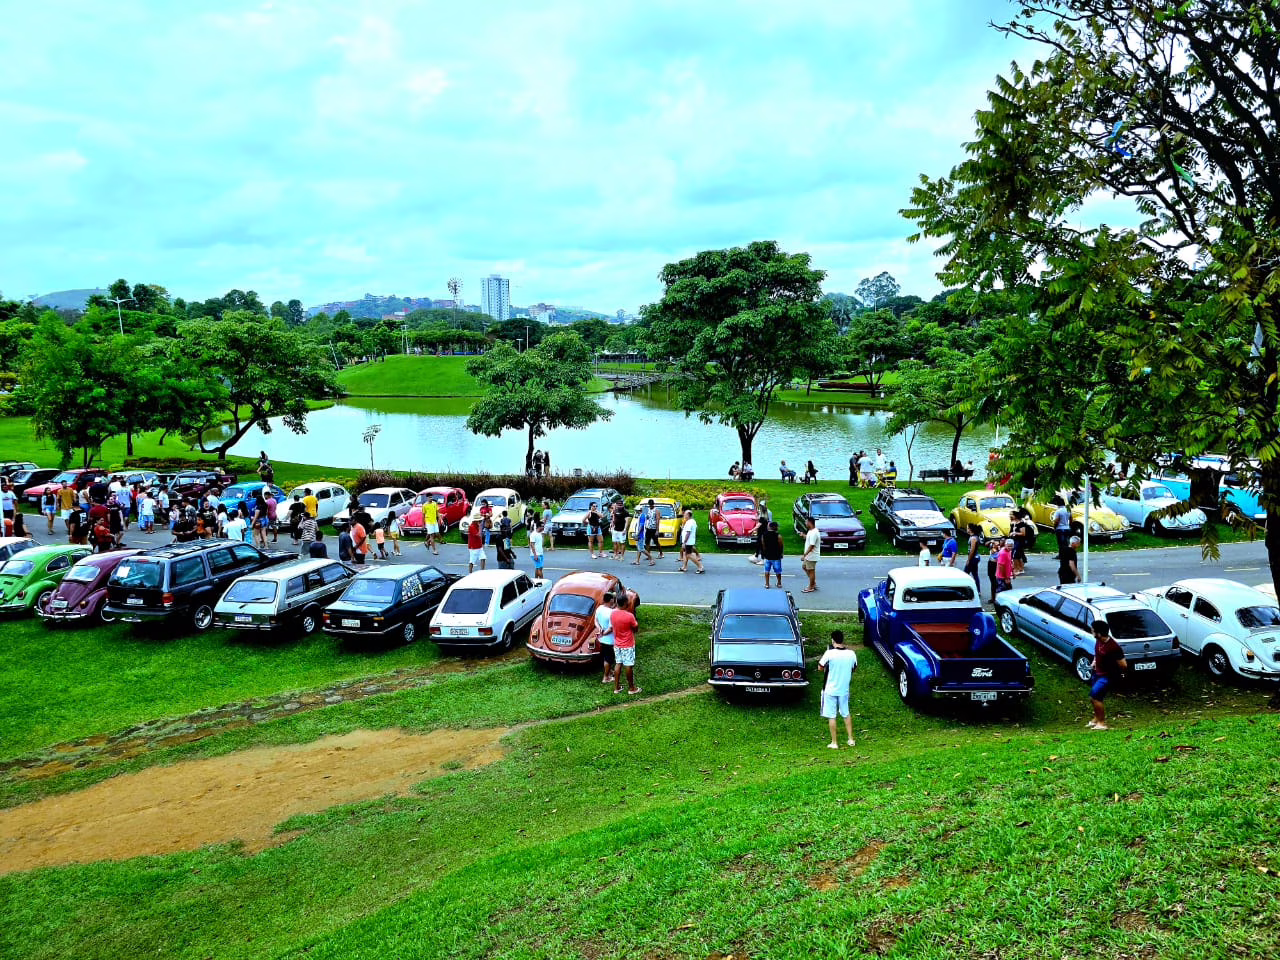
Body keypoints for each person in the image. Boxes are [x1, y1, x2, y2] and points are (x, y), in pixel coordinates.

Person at [818, 630, 858, 749]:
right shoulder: (851, 654)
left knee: (832, 716)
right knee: (846, 713)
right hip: (844, 689)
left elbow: (820, 667)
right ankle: (851, 739)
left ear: (833, 640)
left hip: (830, 689)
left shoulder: (829, 653)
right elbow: (854, 668)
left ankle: (834, 742)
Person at [1088, 619, 1127, 731]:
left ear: (1098, 633)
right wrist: (1095, 661)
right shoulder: (1099, 640)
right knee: (1093, 697)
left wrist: (1122, 675)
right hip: (1097, 673)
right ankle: (1096, 718)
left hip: (1107, 676)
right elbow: (1097, 652)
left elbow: (1123, 664)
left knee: (1096, 697)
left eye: (1093, 630)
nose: (1091, 631)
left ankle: (1102, 724)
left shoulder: (1113, 647)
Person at [610, 594, 641, 695]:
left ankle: (617, 688)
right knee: (628, 665)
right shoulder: (629, 616)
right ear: (624, 603)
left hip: (617, 644)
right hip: (627, 644)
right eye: (627, 601)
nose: (629, 602)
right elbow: (635, 627)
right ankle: (631, 688)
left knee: (618, 663)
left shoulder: (612, 614)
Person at [595, 591, 616, 684]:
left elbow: (595, 621)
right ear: (611, 600)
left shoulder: (599, 608)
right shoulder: (612, 612)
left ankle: (609, 671)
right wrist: (604, 633)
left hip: (601, 638)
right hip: (609, 640)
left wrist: (600, 629)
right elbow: (611, 628)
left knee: (604, 656)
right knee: (609, 658)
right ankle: (606, 677)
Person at [678, 509, 704, 574]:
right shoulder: (692, 521)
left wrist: (684, 542)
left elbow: (688, 533)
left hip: (688, 542)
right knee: (685, 553)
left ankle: (700, 566)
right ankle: (684, 567)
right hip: (689, 541)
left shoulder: (689, 522)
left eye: (685, 514)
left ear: (688, 515)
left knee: (689, 555)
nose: (684, 515)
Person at [761, 520, 783, 589]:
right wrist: (781, 553)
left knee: (767, 570)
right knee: (778, 571)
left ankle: (767, 584)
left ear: (769, 527)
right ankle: (779, 583)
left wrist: (765, 552)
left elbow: (763, 545)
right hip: (776, 556)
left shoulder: (764, 535)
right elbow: (781, 545)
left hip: (767, 556)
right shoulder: (778, 536)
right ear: (775, 528)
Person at [801, 516, 821, 593]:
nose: (805, 523)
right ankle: (813, 583)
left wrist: (804, 555)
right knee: (804, 567)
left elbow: (811, 546)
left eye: (806, 522)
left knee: (811, 570)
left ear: (809, 522)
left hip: (812, 555)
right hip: (809, 556)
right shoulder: (811, 531)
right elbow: (809, 539)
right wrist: (804, 536)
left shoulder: (814, 533)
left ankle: (811, 586)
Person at [632, 501, 652, 566]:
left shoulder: (642, 516)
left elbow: (641, 526)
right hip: (640, 534)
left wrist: (637, 534)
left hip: (640, 535)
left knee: (642, 549)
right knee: (639, 548)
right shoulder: (641, 515)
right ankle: (637, 561)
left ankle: (651, 559)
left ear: (638, 510)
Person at [963, 523, 982, 592]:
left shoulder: (973, 538)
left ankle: (963, 589)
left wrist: (969, 560)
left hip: (973, 558)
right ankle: (978, 590)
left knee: (965, 574)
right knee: (975, 574)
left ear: (970, 529)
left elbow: (972, 550)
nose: (967, 529)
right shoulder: (973, 537)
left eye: (967, 528)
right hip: (975, 558)